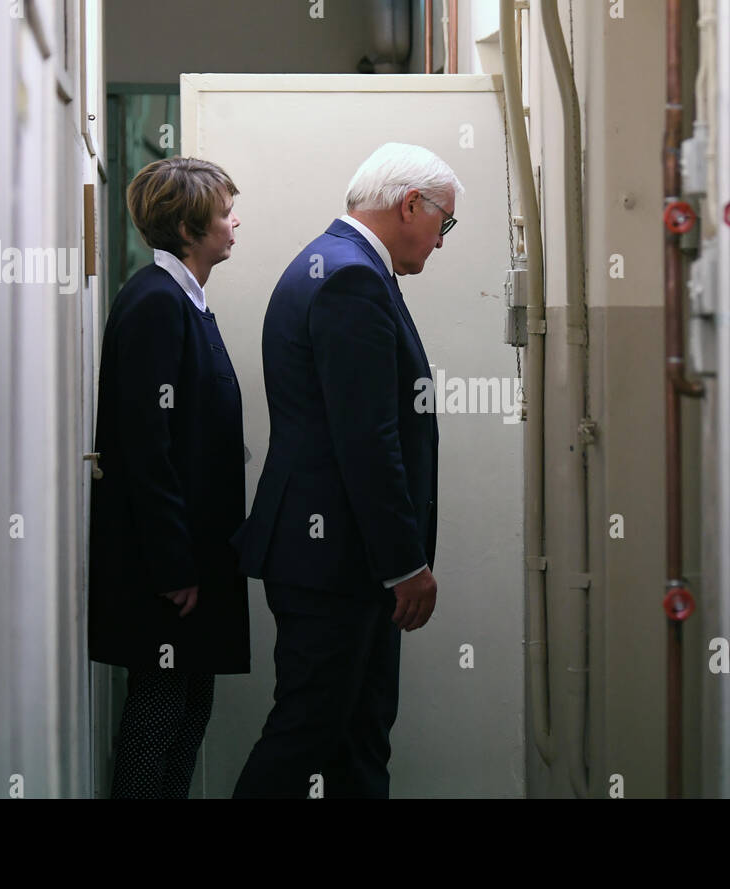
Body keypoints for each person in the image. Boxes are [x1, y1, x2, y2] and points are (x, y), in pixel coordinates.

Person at [230, 142, 462, 798]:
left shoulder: (332, 263)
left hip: (332, 554)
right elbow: (366, 439)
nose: (442, 243)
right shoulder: (351, 277)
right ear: (409, 204)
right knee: (309, 735)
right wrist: (405, 563)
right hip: (337, 559)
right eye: (443, 223)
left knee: (356, 737)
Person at [88, 156, 249, 798]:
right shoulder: (156, 303)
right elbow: (145, 447)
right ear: (188, 225)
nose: (235, 221)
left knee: (188, 713)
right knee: (158, 718)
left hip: (194, 558)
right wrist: (173, 564)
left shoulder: (186, 300)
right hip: (170, 570)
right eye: (223, 211)